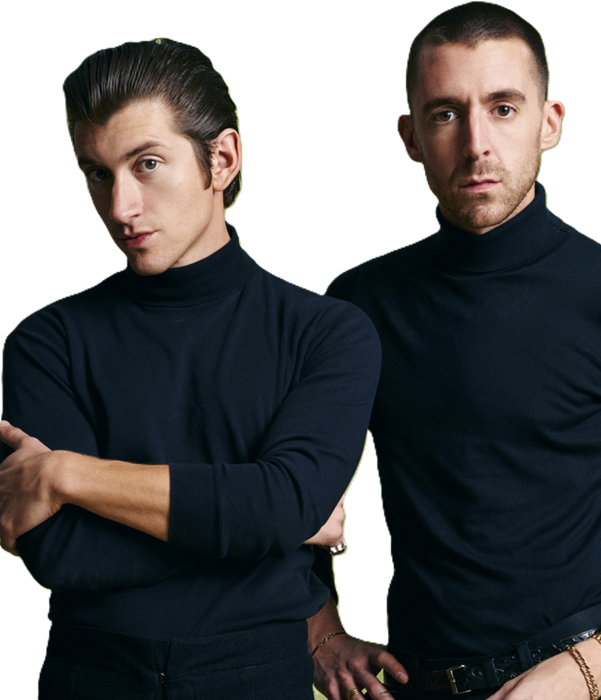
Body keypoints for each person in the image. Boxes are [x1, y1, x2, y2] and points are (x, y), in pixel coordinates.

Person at [306, 3, 601, 699]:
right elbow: (285, 491)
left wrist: (589, 669)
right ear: (409, 135)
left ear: (550, 122)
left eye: (503, 108)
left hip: (587, 683)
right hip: (417, 684)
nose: (477, 143)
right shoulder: (358, 303)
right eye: (445, 114)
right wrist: (319, 629)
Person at [0, 37, 381, 699]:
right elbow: (60, 550)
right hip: (89, 681)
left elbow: (280, 509)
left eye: (146, 164)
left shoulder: (326, 332)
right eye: (97, 173)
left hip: (258, 680)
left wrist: (66, 475)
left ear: (222, 159)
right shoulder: (47, 340)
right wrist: (265, 532)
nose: (120, 206)